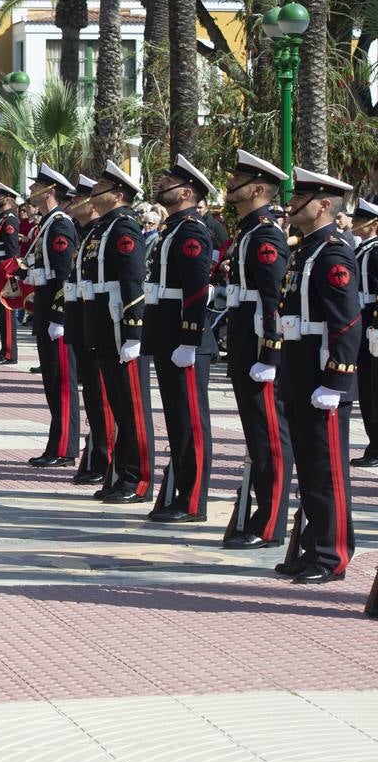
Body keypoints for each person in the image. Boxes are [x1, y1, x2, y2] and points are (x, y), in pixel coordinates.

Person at [272, 168, 360, 585]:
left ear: (324, 204)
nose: (292, 204)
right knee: (309, 470)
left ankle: (332, 554)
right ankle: (312, 546)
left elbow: (346, 322)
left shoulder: (332, 252)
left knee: (327, 471)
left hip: (321, 376)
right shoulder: (305, 250)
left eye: (302, 197)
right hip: (300, 370)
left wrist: (337, 380)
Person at [220, 151, 293, 549]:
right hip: (245, 344)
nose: (232, 184)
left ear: (259, 189)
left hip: (258, 349)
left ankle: (270, 522)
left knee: (270, 437)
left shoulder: (264, 234)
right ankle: (261, 515)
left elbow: (272, 298)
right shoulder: (250, 230)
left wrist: (270, 352)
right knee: (257, 435)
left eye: (241, 179)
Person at [143, 155, 216, 524]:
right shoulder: (173, 229)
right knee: (177, 420)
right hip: (167, 334)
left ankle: (192, 501)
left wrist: (190, 338)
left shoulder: (191, 229)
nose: (161, 184)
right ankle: (179, 493)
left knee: (191, 423)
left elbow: (196, 288)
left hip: (183, 339)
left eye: (169, 181)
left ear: (186, 191)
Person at [79, 161, 154, 505]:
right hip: (102, 326)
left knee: (132, 409)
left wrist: (133, 332)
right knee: (119, 407)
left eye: (101, 189)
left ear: (119, 194)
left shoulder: (125, 228)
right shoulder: (101, 229)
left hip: (119, 327)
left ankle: (138, 479)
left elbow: (132, 282)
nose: (94, 193)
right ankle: (120, 475)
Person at [23, 164, 80, 467]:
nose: (31, 191)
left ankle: (64, 447)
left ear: (50, 191)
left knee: (61, 384)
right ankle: (56, 444)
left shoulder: (59, 225)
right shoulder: (46, 224)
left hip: (56, 316)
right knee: (51, 382)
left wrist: (59, 316)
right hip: (45, 310)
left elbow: (65, 276)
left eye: (36, 187)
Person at [66, 174, 113, 487]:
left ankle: (105, 458)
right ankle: (96, 455)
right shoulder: (86, 233)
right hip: (82, 320)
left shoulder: (102, 232)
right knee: (93, 397)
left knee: (102, 397)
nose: (72, 203)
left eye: (78, 197)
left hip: (100, 323)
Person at [352, 197, 378, 467]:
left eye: (361, 220)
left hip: (371, 323)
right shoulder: (364, 249)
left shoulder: (376, 250)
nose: (355, 224)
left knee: (373, 389)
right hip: (362, 321)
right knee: (367, 389)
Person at [0, 184, 23, 364]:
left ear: (8, 199)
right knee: (1, 313)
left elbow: (12, 251)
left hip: (4, 270)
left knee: (7, 311)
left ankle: (9, 353)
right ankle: (4, 351)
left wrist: (8, 273)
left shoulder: (10, 220)